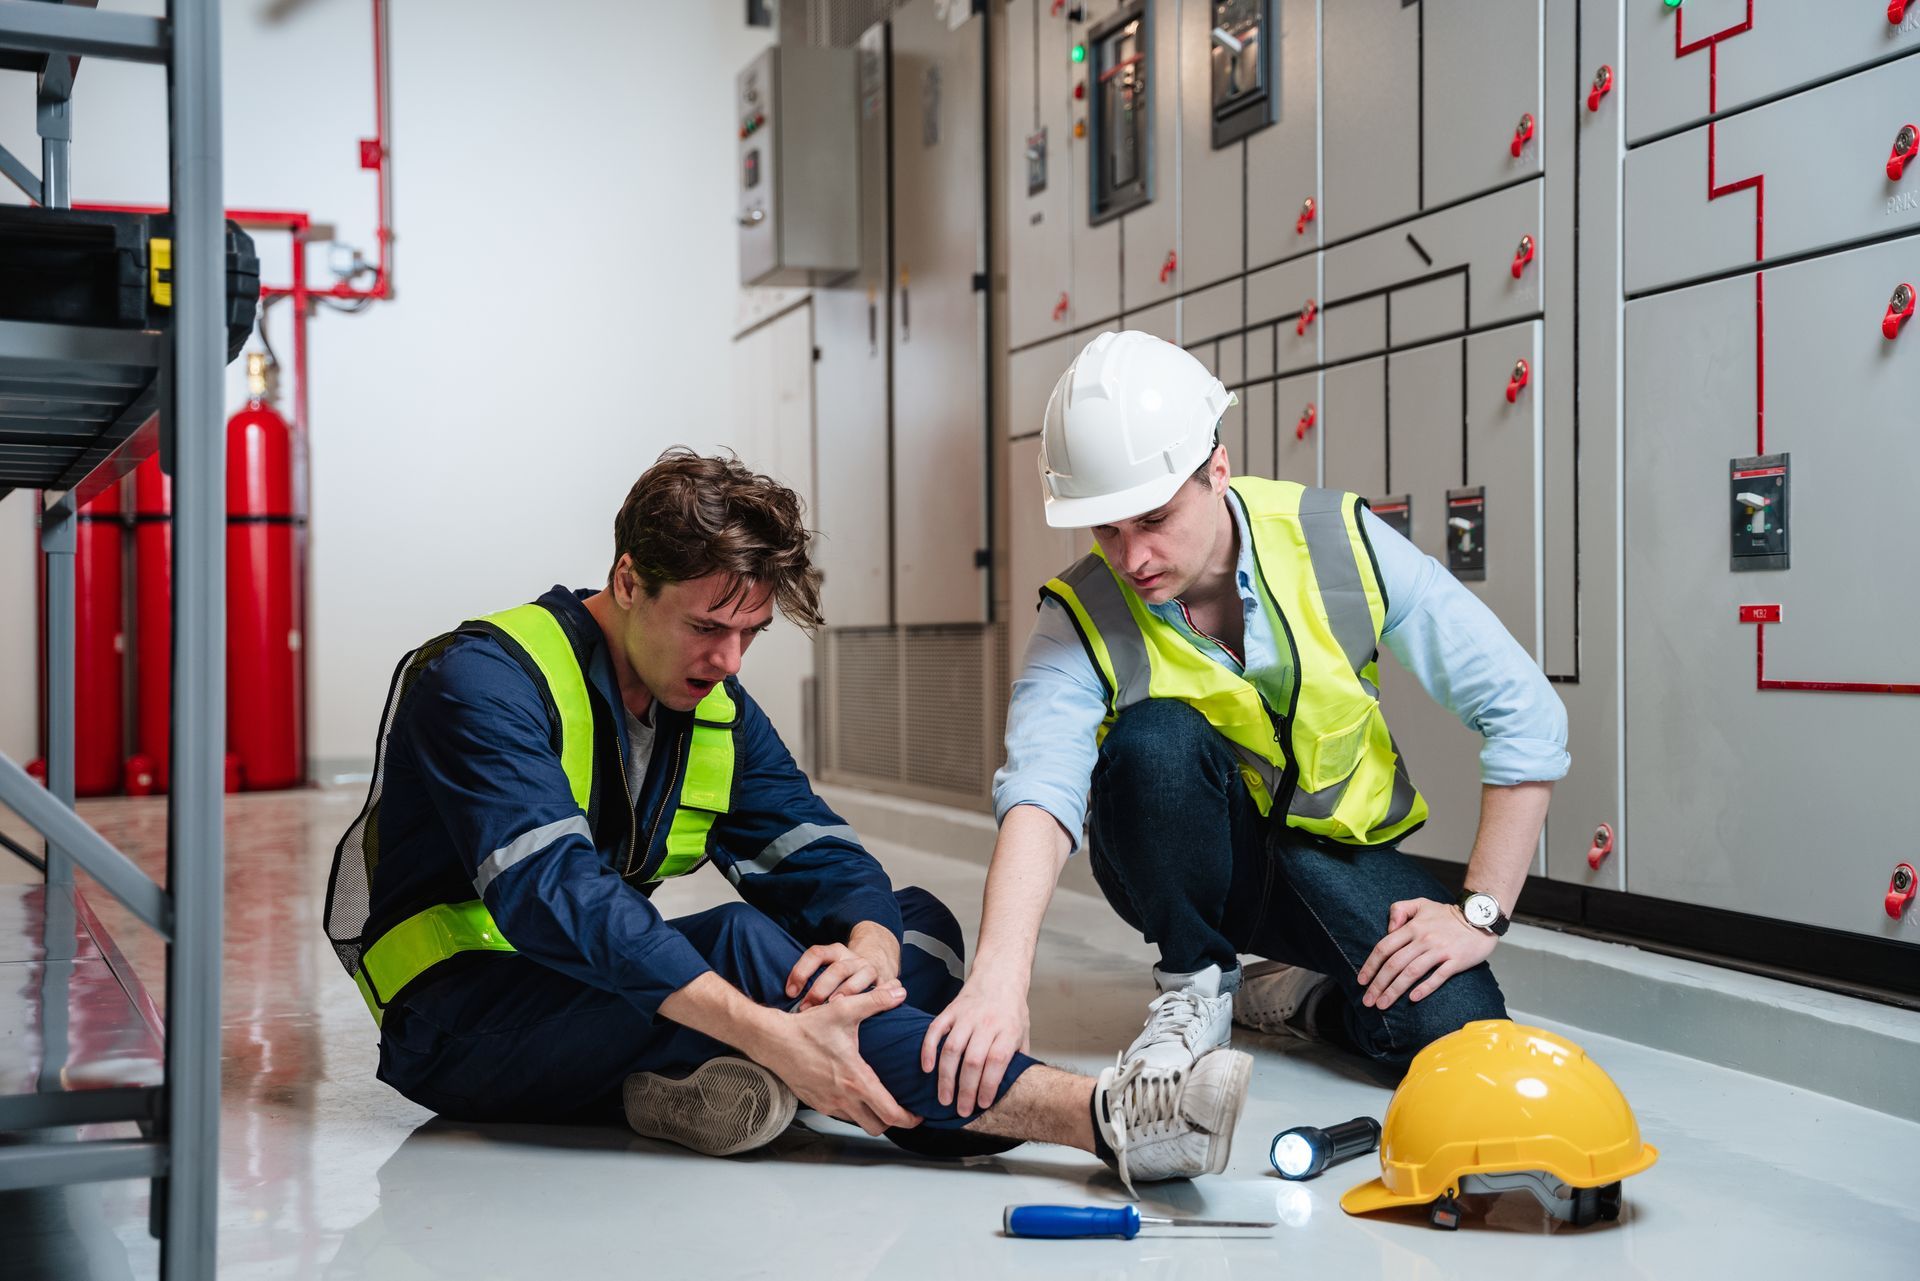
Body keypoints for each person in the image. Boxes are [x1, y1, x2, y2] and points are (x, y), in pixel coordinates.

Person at [322, 447, 1251, 1190]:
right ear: (629, 578)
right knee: (738, 947)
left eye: (750, 634)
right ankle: (1104, 1117)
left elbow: (827, 855)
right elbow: (553, 897)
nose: (729, 659)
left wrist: (870, 953)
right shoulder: (479, 682)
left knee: (910, 917)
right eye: (706, 627)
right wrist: (769, 1027)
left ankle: (705, 1087)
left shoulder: (706, 697)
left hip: (601, 1006)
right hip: (460, 1023)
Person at [922, 331, 1569, 1118]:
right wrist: (997, 976)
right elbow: (1041, 785)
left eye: (1154, 518)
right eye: (1107, 529)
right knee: (1153, 740)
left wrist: (1479, 912)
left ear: (1217, 469)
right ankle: (1193, 984)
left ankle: (1297, 996)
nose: (1133, 556)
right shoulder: (1082, 611)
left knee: (1456, 1031)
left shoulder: (1334, 541)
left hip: (1326, 857)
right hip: (1182, 865)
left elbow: (1524, 711)